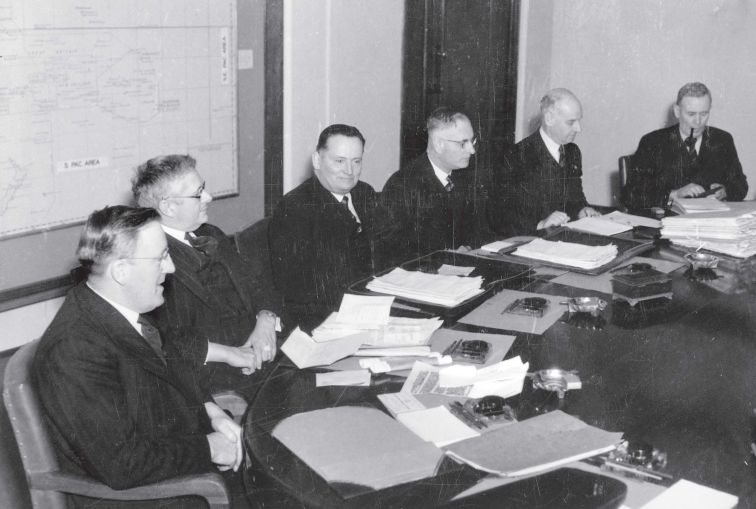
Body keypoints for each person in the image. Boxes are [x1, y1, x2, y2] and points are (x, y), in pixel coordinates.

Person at [33, 206, 243, 497]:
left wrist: (210, 410)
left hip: (176, 456)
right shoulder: (74, 350)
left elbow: (174, 365)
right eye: (160, 258)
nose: (170, 268)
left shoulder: (123, 306)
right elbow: (123, 464)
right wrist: (210, 447)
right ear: (121, 271)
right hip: (149, 496)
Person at [132, 154, 278, 395]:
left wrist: (266, 319)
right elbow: (168, 340)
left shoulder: (212, 233)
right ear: (168, 206)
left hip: (262, 356)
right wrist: (233, 354)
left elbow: (257, 284)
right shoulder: (152, 260)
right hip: (212, 383)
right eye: (199, 193)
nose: (209, 197)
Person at [269, 124, 381, 330]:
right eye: (339, 161)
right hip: (324, 321)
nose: (349, 171)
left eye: (356, 162)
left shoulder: (364, 193)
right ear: (317, 160)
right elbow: (299, 292)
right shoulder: (295, 208)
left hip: (369, 309)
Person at [380, 107, 494, 265]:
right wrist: (447, 257)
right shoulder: (402, 185)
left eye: (472, 141)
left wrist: (468, 248)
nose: (472, 150)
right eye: (463, 143)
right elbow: (393, 251)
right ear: (439, 144)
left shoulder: (466, 179)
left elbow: (481, 230)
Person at [624, 82, 747, 211]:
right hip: (668, 223)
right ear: (677, 111)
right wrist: (674, 194)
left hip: (710, 222)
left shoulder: (722, 140)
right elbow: (631, 194)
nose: (698, 122)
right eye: (691, 114)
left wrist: (725, 191)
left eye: (704, 114)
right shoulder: (652, 142)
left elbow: (741, 185)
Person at [503, 88, 599, 234]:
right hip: (529, 240)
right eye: (571, 122)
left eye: (579, 121)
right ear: (549, 119)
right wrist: (540, 224)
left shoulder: (572, 152)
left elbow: (575, 198)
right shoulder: (516, 156)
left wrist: (582, 210)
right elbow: (502, 215)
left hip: (561, 236)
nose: (578, 128)